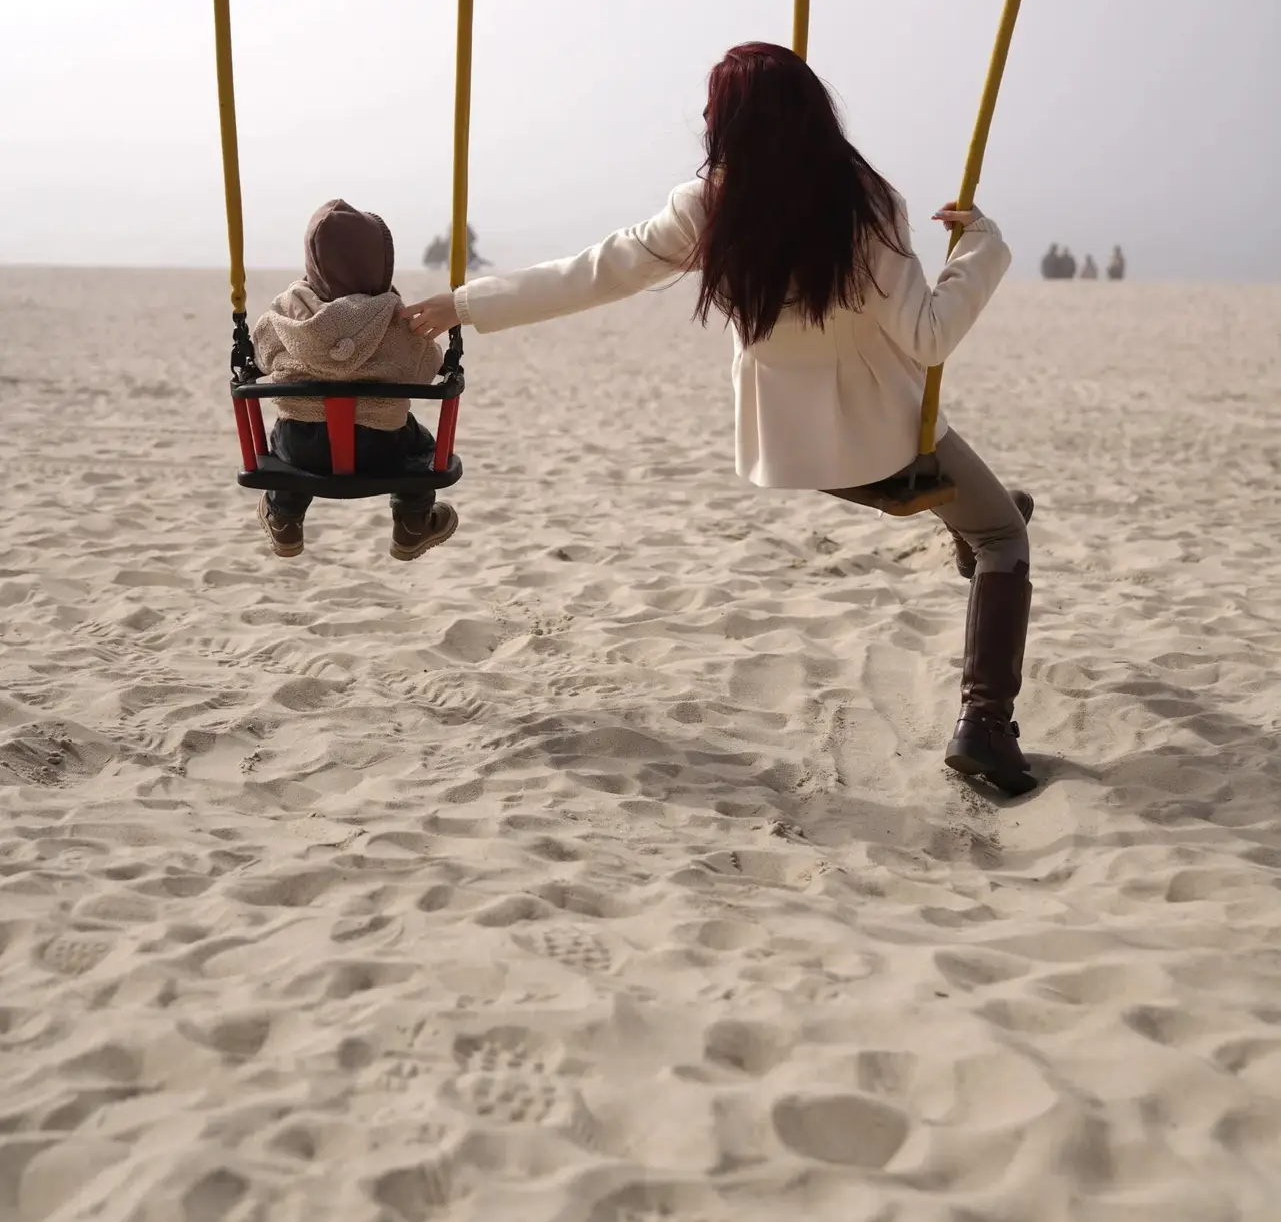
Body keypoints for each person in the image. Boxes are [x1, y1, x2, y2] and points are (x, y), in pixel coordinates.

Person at [402, 43, 1036, 795]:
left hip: (787, 453)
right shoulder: (866, 201)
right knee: (1004, 535)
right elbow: (929, 337)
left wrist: (463, 305)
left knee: (983, 508)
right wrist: (980, 248)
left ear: (725, 124)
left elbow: (594, 272)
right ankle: (984, 723)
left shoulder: (705, 208)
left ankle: (966, 528)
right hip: (889, 446)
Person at [253, 199, 459, 562]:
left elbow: (260, 356)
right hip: (382, 449)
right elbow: (426, 368)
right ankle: (412, 524)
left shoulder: (284, 314)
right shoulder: (396, 321)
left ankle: (284, 518)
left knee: (281, 447)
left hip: (302, 448)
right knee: (421, 445)